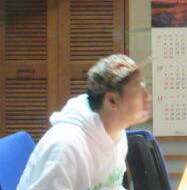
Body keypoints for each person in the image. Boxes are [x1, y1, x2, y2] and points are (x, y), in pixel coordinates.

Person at [18, 54, 151, 190]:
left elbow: (112, 186)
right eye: (138, 88)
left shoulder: (116, 133)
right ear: (112, 100)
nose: (147, 96)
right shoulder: (66, 147)